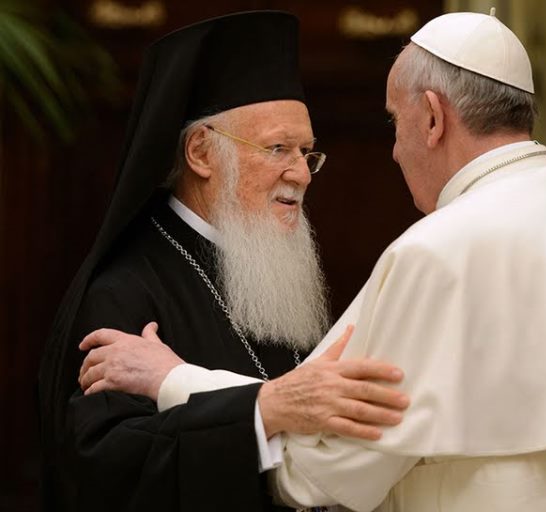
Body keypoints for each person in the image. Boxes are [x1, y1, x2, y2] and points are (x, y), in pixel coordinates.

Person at [78, 11, 546, 512]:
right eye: (278, 149)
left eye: (395, 124)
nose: (395, 152)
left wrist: (175, 380)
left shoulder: (438, 250)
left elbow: (321, 473)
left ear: (432, 117)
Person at [38, 11, 410, 512]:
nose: (301, 174)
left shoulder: (276, 277)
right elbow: (111, 467)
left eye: (307, 152)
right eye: (278, 148)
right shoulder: (124, 293)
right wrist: (260, 414)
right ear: (201, 153)